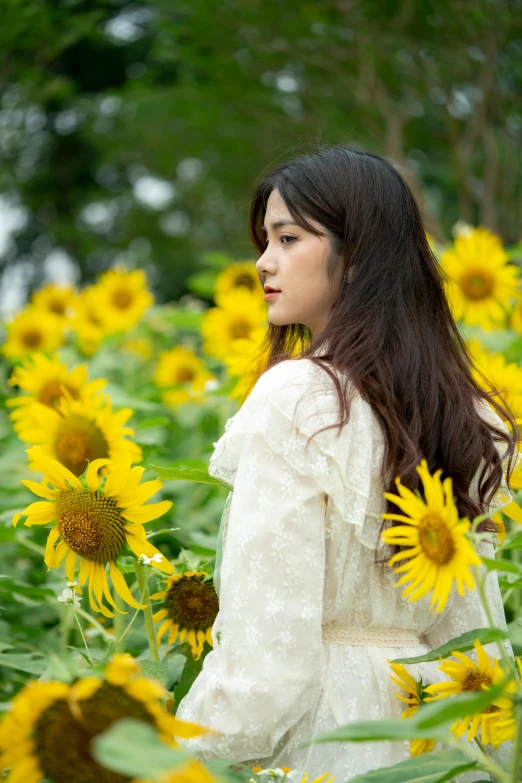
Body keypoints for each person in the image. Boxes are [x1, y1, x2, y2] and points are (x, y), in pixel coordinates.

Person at [175, 147, 520, 778]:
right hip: (435, 733)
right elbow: (473, 628)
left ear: (356, 255)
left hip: (329, 727)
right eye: (264, 240)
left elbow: (269, 652)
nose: (263, 261)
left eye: (287, 238)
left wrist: (173, 752)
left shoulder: (298, 398)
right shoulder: (458, 408)